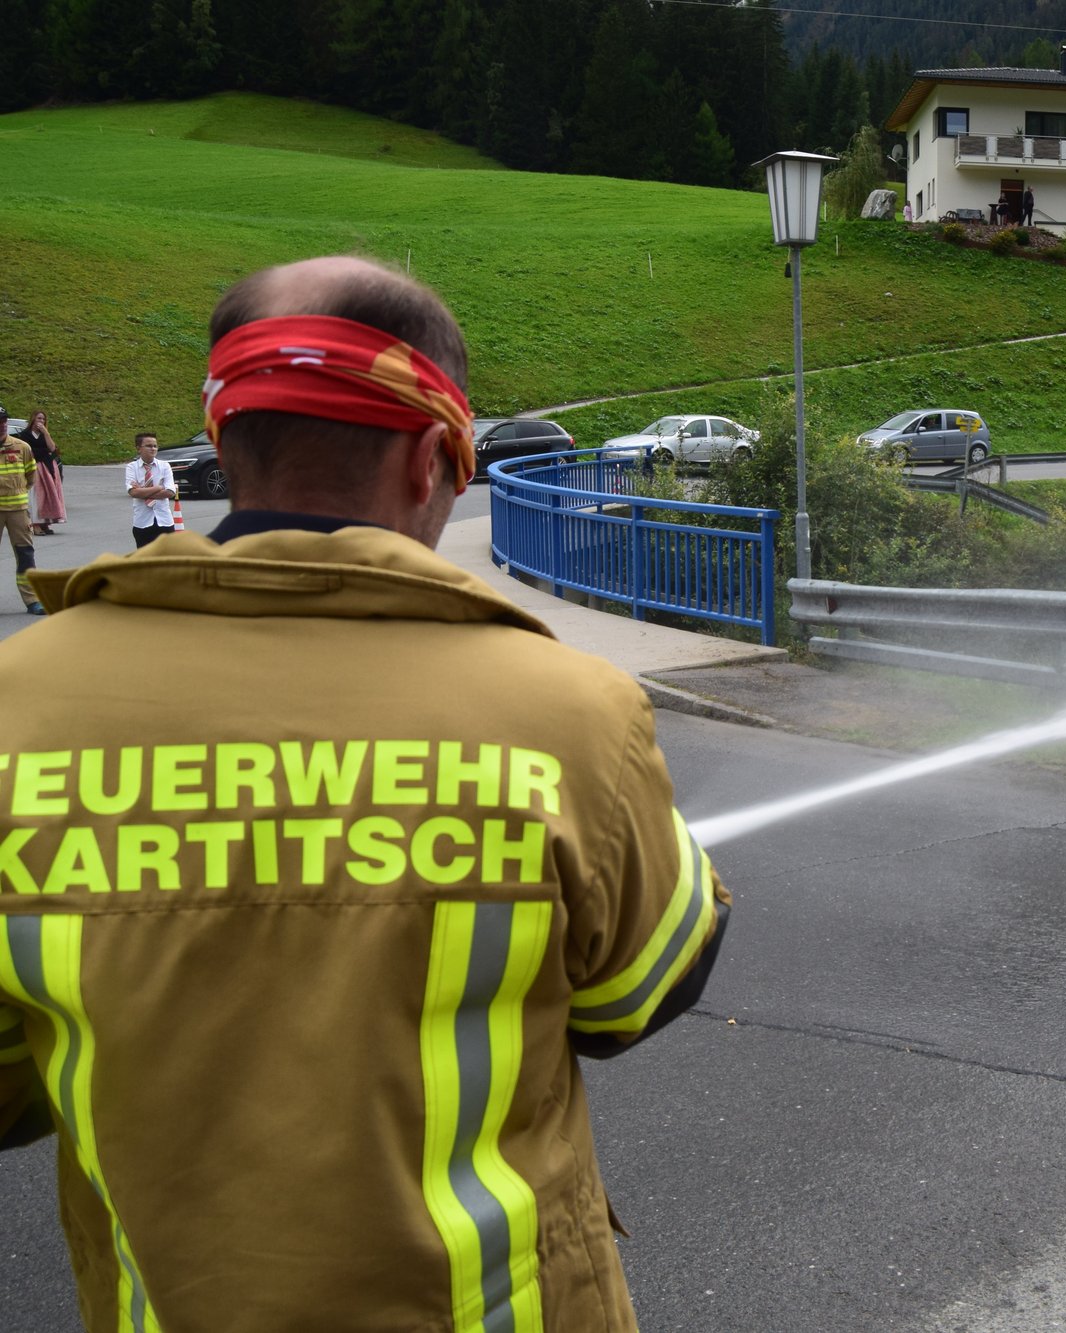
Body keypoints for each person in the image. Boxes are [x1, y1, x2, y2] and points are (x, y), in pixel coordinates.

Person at [0, 255, 730, 1333]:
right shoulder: (567, 711)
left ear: (228, 439)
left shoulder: (17, 708)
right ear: (436, 459)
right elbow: (634, 997)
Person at [0, 406, 42, 614]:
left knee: (25, 554)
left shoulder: (22, 447)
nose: (1, 425)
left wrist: (18, 493)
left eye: (3, 421)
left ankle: (32, 600)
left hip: (17, 510)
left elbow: (31, 476)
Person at [124, 430, 178, 546]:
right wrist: (158, 487)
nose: (153, 449)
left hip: (164, 521)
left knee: (167, 559)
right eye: (148, 446)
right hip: (142, 522)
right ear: (139, 449)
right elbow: (133, 492)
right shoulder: (132, 467)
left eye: (155, 446)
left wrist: (142, 490)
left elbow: (170, 492)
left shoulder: (164, 466)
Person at [24, 409, 63, 534]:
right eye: (39, 418)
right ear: (33, 420)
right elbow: (26, 451)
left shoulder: (44, 434)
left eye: (43, 419)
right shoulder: (25, 434)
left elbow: (52, 448)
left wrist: (46, 433)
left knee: (47, 495)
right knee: (35, 496)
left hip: (47, 467)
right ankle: (35, 524)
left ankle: (45, 522)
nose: (41, 421)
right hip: (34, 467)